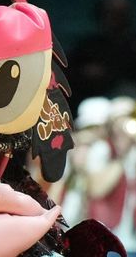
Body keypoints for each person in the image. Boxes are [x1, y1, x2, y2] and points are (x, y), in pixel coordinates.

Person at [85, 97, 136, 256]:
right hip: (108, 243)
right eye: (118, 121)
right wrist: (122, 156)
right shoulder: (101, 149)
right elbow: (97, 189)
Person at [48, 96, 110, 227]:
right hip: (66, 224)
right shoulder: (71, 148)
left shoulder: (104, 149)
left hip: (95, 226)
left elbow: (96, 190)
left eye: (97, 128)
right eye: (89, 128)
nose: (95, 133)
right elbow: (53, 195)